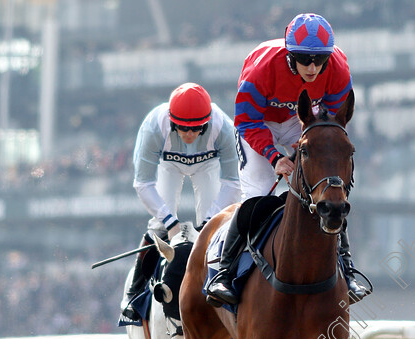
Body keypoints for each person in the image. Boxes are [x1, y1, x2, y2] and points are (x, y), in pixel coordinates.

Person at [205, 13, 369, 307]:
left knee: (329, 194)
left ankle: (347, 267)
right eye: (304, 59)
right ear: (290, 55)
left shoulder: (339, 71)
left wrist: (305, 150)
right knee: (257, 197)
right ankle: (223, 273)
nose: (313, 67)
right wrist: (274, 156)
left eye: (320, 60)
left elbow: (331, 124)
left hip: (301, 122)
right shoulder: (262, 69)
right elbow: (246, 121)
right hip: (260, 123)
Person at [121, 82, 240, 321]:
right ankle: (134, 292)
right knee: (159, 225)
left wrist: (208, 222)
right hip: (169, 165)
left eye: (197, 129)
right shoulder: (154, 127)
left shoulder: (224, 127)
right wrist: (170, 223)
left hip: (208, 165)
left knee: (216, 229)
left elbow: (233, 183)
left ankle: (223, 280)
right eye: (182, 128)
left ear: (207, 121)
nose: (189, 135)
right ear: (170, 120)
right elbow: (142, 183)